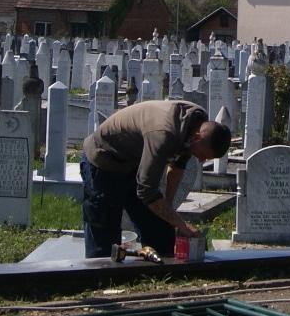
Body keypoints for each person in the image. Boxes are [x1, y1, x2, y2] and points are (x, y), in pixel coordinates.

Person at [81, 99, 231, 258]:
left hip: (133, 164)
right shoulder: (163, 134)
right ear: (197, 138)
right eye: (202, 156)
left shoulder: (196, 122)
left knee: (161, 233)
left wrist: (169, 210)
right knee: (105, 239)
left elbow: (177, 166)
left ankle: (156, 273)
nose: (201, 161)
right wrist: (181, 223)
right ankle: (100, 279)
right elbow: (147, 191)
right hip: (103, 161)